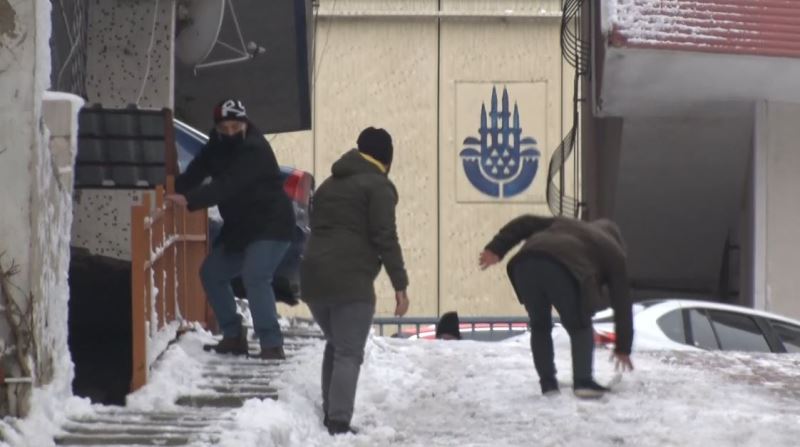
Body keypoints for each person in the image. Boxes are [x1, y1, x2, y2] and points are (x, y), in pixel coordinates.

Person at [300, 127, 410, 435]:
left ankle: (330, 412)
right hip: (350, 281)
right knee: (348, 352)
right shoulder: (378, 187)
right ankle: (338, 422)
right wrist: (400, 285)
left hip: (312, 278)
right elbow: (385, 237)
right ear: (387, 158)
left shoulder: (328, 185)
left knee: (336, 345)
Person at [166, 99, 295, 360]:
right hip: (241, 229)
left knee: (256, 275)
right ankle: (234, 336)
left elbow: (228, 184)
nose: (230, 132)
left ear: (245, 123)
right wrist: (172, 189)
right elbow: (197, 170)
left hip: (271, 225)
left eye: (235, 126)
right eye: (224, 128)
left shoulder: (255, 149)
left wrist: (191, 200)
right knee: (212, 273)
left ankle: (272, 345)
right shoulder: (217, 144)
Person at [479, 215, 634, 399]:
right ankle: (583, 381)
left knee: (539, 326)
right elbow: (622, 301)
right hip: (562, 268)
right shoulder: (614, 251)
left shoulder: (564, 224)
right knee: (580, 325)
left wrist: (496, 248)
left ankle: (548, 384)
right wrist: (623, 347)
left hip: (525, 263)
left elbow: (525, 222)